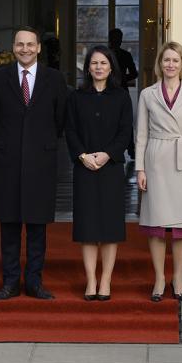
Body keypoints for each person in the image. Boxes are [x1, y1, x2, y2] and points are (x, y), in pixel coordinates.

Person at [0, 26, 68, 300]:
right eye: (20, 44)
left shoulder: (54, 79)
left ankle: (34, 282)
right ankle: (10, 283)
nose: (25, 49)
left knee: (36, 227)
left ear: (39, 48)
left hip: (41, 162)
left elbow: (59, 120)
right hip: (7, 161)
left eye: (30, 44)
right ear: (13, 47)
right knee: (8, 226)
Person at [135, 41, 182, 302]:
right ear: (160, 64)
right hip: (156, 160)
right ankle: (159, 277)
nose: (170, 65)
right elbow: (141, 134)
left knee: (181, 226)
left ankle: (178, 276)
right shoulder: (147, 94)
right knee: (155, 224)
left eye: (175, 60)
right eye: (166, 60)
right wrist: (140, 168)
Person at [65, 45, 133, 301]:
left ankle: (106, 280)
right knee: (88, 228)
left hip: (111, 169)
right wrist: (83, 156)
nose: (98, 67)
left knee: (110, 228)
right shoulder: (76, 97)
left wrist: (106, 155)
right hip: (84, 169)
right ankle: (91, 280)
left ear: (111, 67)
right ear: (87, 67)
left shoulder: (121, 96)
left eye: (103, 63)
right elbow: (69, 130)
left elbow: (125, 132)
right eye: (94, 63)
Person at [109, 28, 139, 159]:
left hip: (121, 89)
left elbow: (134, 73)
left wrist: (123, 78)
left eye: (118, 38)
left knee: (125, 119)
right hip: (108, 90)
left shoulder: (126, 55)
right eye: (114, 38)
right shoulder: (105, 54)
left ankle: (130, 148)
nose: (116, 41)